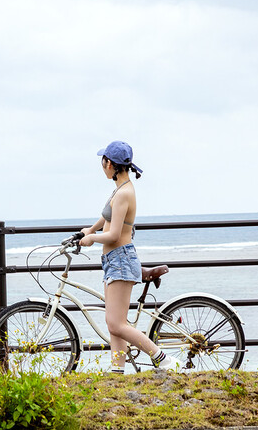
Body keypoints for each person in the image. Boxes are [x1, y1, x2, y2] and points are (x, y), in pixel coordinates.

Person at [78, 140, 183, 373]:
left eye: (102, 161)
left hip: (121, 260)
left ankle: (162, 359)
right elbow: (107, 218)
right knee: (113, 323)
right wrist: (90, 230)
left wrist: (92, 239)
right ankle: (117, 372)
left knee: (117, 323)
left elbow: (114, 234)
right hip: (113, 260)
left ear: (110, 164)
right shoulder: (119, 189)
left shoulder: (124, 193)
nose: (101, 165)